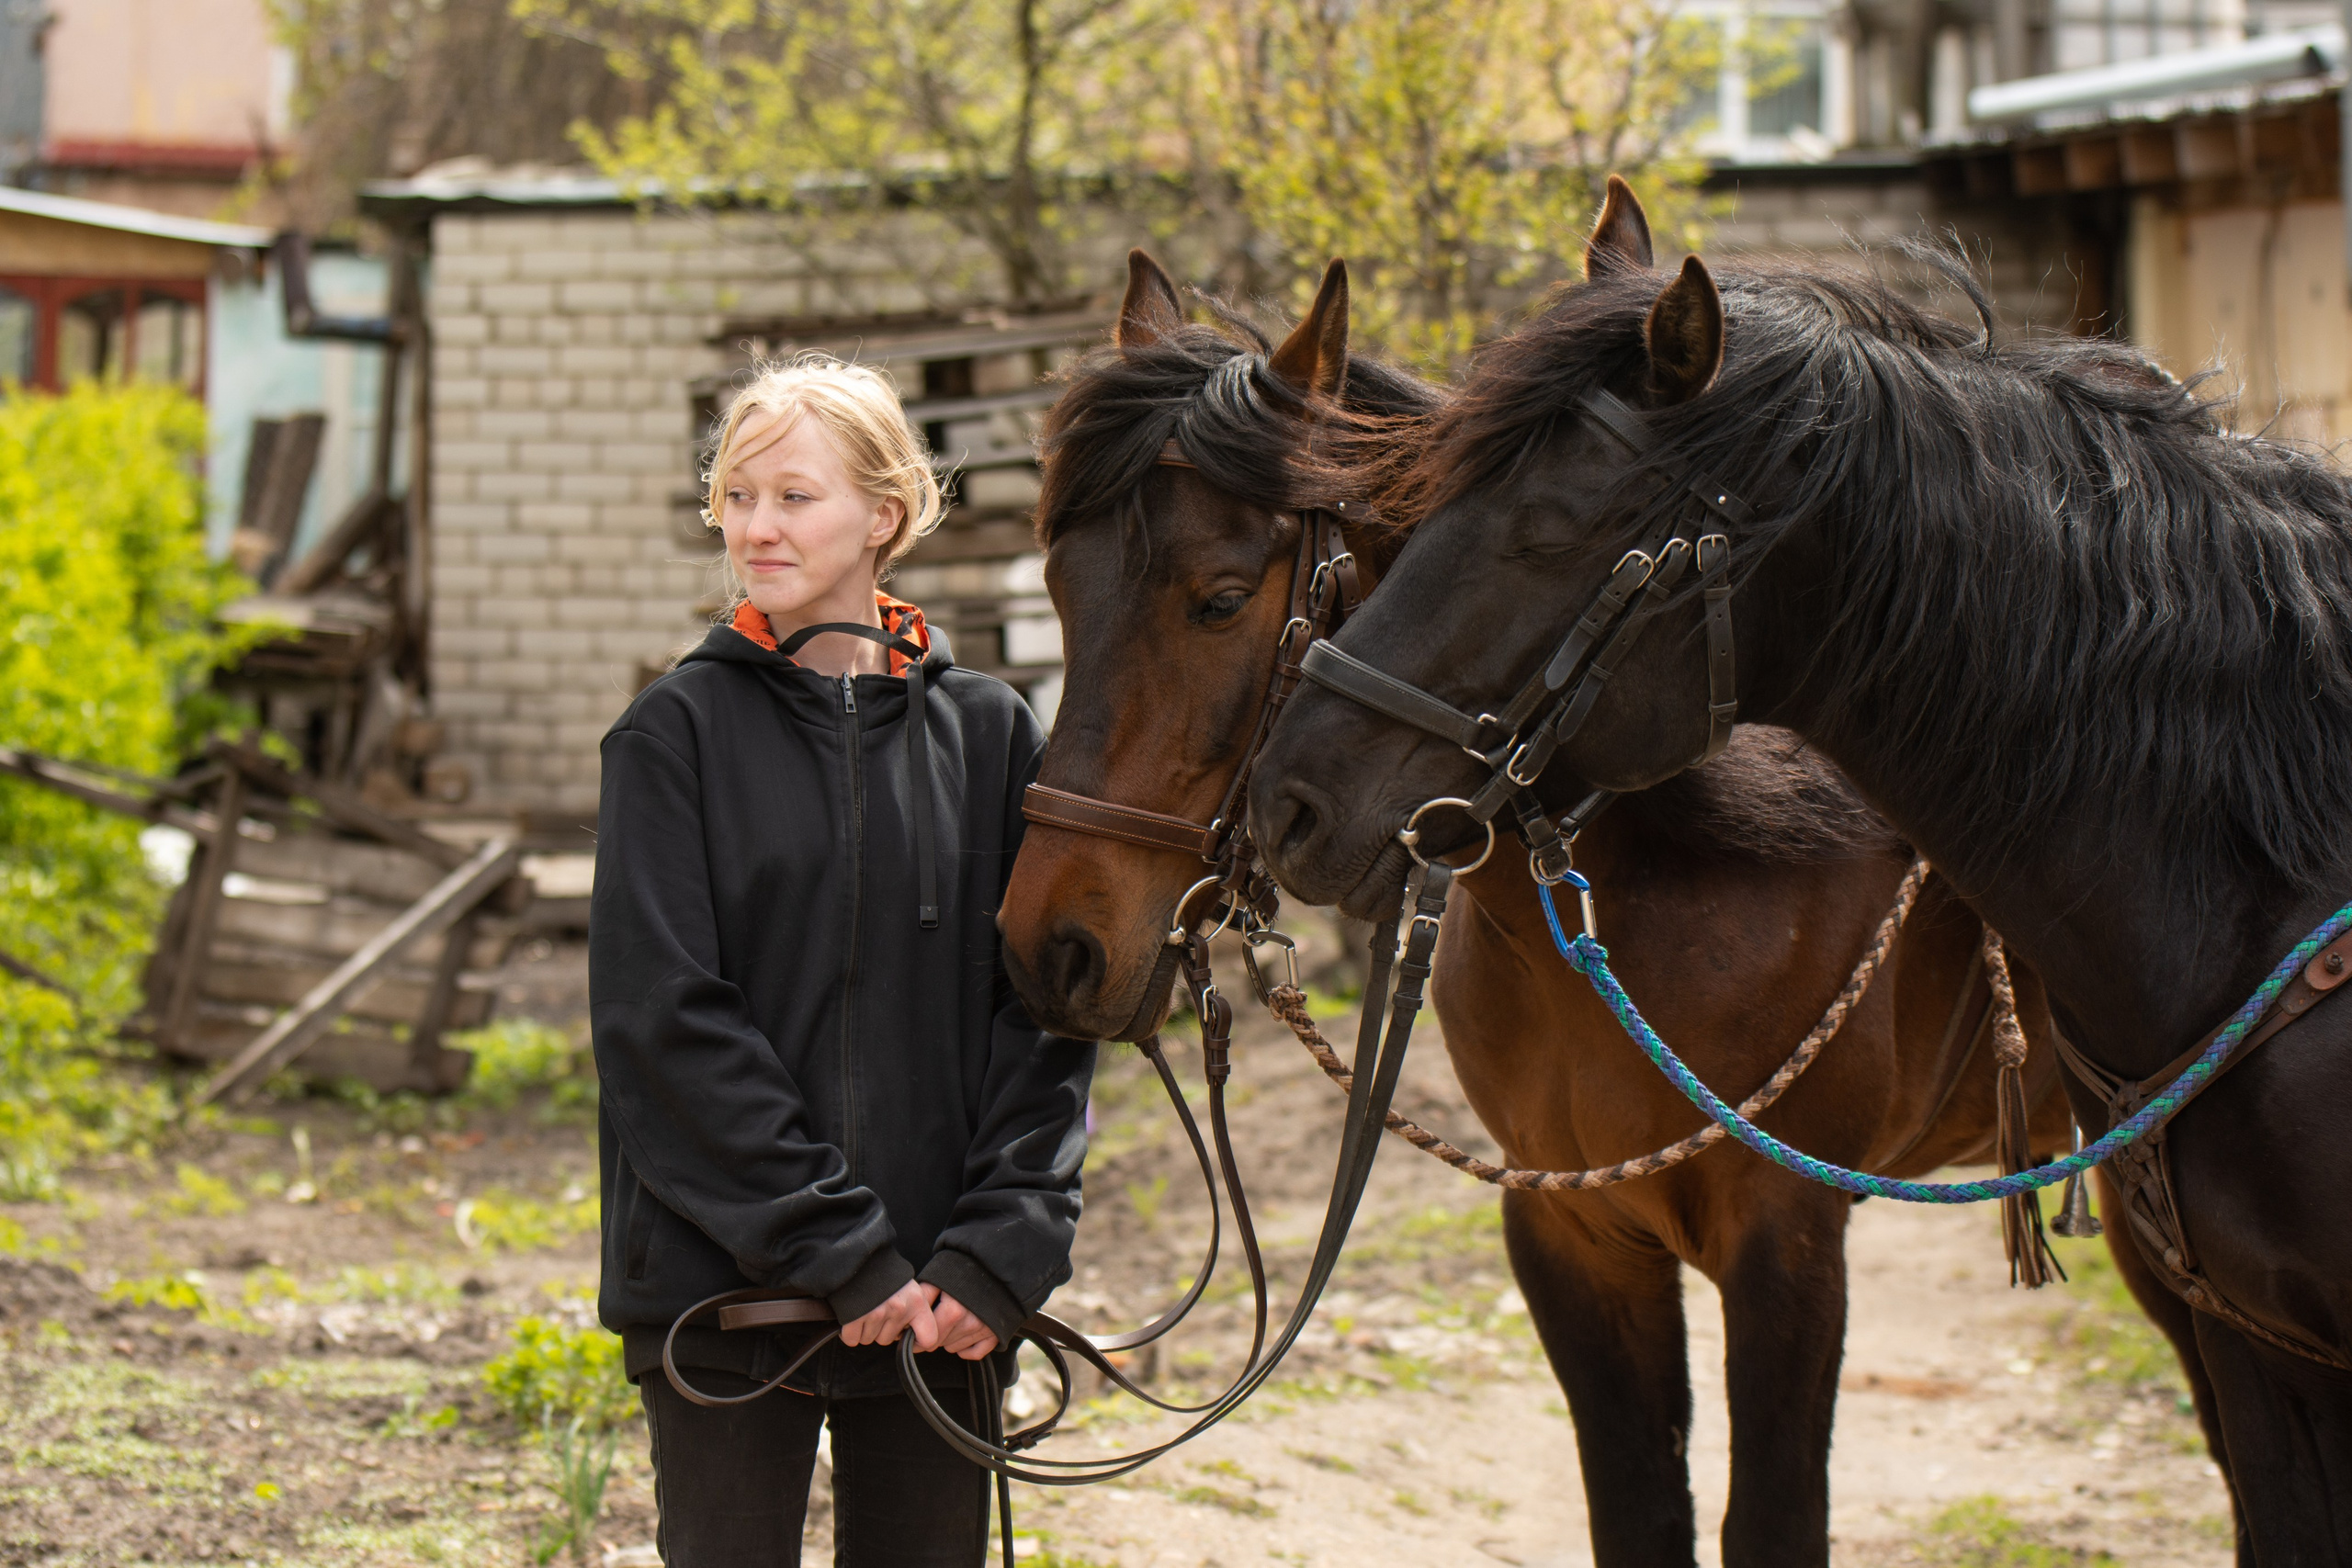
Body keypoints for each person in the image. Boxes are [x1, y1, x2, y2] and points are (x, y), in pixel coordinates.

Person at [590, 356, 1093, 1565]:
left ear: (885, 514)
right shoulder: (674, 737)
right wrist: (841, 1255)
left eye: (793, 497)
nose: (755, 525)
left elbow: (1041, 1017)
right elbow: (666, 1028)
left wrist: (1000, 1250)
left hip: (943, 1307)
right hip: (726, 1293)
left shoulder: (992, 734)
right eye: (737, 495)